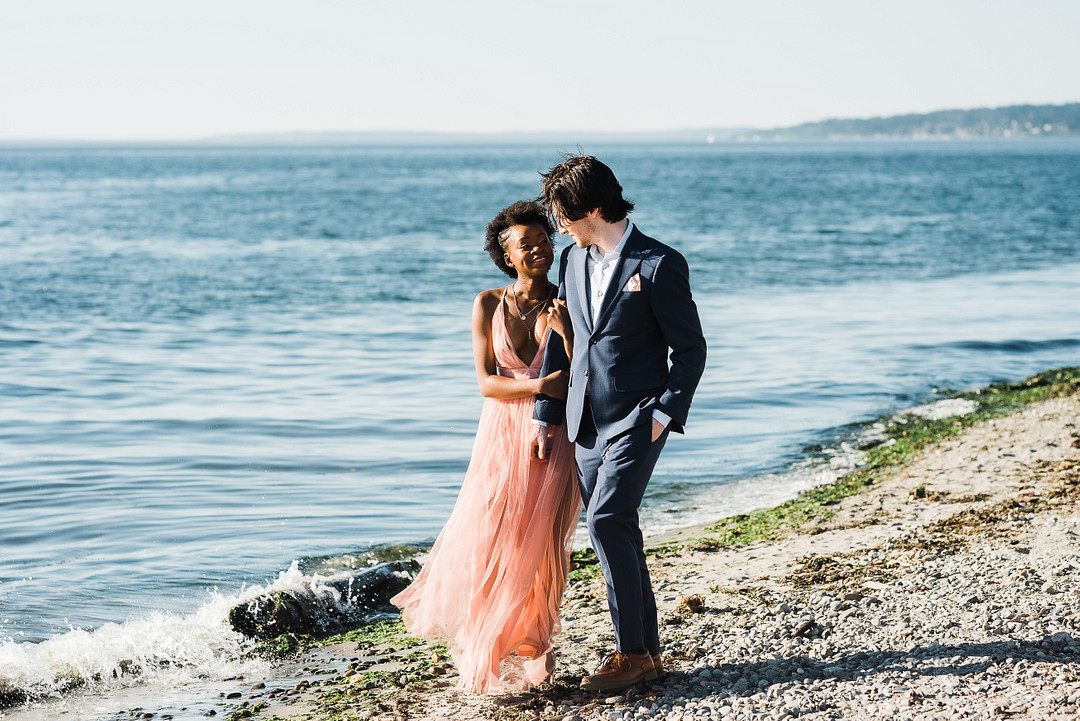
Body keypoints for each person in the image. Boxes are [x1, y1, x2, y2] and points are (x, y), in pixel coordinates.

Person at [391, 201, 582, 693]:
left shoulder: (568, 302)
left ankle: (538, 647)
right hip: (499, 437)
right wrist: (541, 386)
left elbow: (586, 372)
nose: (539, 248)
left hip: (554, 438)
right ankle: (486, 644)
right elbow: (486, 383)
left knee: (543, 550)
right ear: (507, 255)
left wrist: (567, 341)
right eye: (527, 244)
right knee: (493, 540)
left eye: (544, 240)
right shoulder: (486, 304)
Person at [532, 155, 707, 691]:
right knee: (620, 528)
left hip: (637, 417)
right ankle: (647, 653)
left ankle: (628, 653)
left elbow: (691, 349)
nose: (557, 222)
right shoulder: (572, 261)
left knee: (605, 520)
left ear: (593, 206)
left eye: (562, 211)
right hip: (583, 421)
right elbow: (565, 344)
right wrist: (545, 414)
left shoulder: (658, 264)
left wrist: (663, 413)